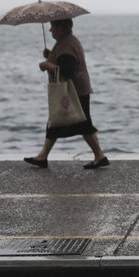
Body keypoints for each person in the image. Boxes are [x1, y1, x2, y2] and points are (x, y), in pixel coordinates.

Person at [23, 18, 109, 170]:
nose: (50, 30)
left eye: (52, 27)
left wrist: (48, 65)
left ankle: (99, 156)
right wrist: (51, 54)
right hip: (78, 88)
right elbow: (66, 62)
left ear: (61, 27)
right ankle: (98, 156)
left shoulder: (67, 45)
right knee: (66, 121)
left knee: (76, 123)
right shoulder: (67, 42)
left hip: (74, 90)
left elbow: (67, 71)